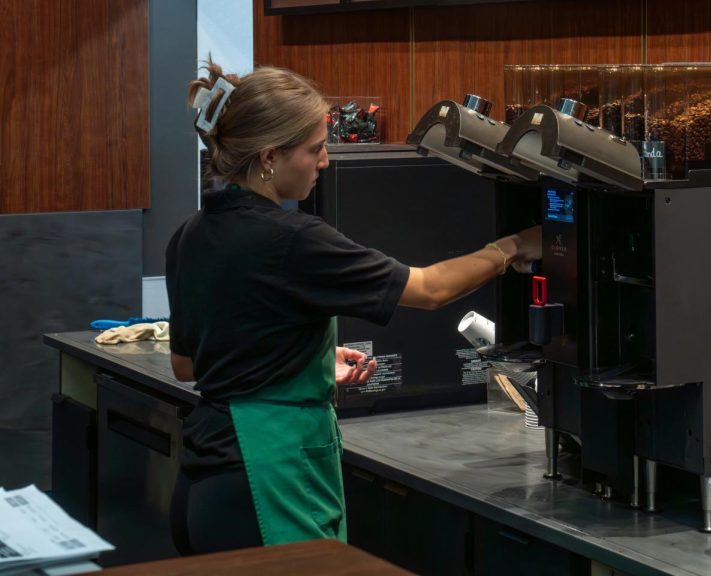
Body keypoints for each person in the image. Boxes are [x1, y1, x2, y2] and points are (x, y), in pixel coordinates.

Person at [166, 61, 540, 555]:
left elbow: (188, 364)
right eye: (315, 149)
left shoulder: (190, 234)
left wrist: (305, 359)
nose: (325, 162)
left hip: (204, 483)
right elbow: (429, 289)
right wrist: (514, 245)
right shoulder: (294, 240)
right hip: (268, 477)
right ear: (270, 156)